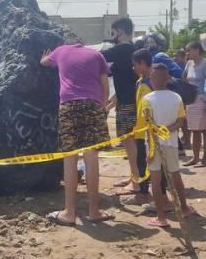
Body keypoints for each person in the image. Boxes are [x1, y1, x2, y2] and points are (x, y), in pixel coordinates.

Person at [41, 39, 113, 226]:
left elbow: (45, 62)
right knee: (91, 159)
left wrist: (44, 57)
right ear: (82, 44)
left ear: (67, 43)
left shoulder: (60, 50)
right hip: (93, 105)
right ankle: (94, 211)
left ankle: (69, 212)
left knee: (70, 158)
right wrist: (102, 107)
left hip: (69, 105)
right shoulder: (97, 55)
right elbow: (105, 85)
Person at [137, 63, 195, 227]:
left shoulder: (147, 99)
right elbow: (180, 121)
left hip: (154, 145)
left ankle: (161, 217)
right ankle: (184, 207)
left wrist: (156, 133)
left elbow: (144, 124)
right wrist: (167, 130)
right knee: (175, 175)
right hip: (170, 143)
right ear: (168, 79)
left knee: (155, 179)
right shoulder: (176, 98)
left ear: (152, 79)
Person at [102, 17, 143, 201]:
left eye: (114, 32)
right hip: (127, 99)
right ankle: (134, 176)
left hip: (128, 103)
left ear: (120, 31)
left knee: (129, 141)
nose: (113, 36)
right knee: (130, 141)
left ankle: (135, 181)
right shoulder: (130, 49)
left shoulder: (123, 48)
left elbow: (99, 57)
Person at [183, 42, 206, 167]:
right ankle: (195, 158)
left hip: (202, 98)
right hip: (191, 99)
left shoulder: (205, 64)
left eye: (189, 50)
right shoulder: (189, 63)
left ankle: (205, 158)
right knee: (194, 129)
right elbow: (184, 77)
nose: (187, 53)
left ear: (197, 50)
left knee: (205, 129)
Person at [131, 48, 154, 204]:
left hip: (150, 131)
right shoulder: (140, 81)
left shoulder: (153, 81)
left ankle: (147, 195)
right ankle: (144, 192)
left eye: (135, 65)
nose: (133, 68)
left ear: (142, 63)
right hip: (139, 130)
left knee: (151, 163)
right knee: (141, 162)